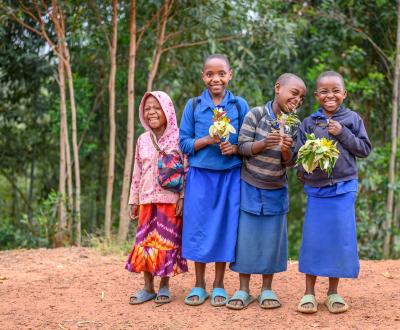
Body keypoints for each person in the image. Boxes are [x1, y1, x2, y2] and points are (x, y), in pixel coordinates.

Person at [227, 73, 306, 310]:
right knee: (247, 239)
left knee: (271, 240)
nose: (297, 100)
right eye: (294, 93)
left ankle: (266, 289)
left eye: (301, 97)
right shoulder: (256, 114)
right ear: (278, 88)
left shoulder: (295, 124)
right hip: (250, 184)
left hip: (276, 188)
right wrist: (264, 144)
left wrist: (285, 150)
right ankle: (243, 289)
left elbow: (290, 162)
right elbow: (241, 147)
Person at [295, 71, 371, 314]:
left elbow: (364, 149)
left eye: (336, 90)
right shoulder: (309, 123)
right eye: (324, 91)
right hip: (317, 190)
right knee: (314, 240)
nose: (330, 95)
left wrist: (343, 133)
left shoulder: (352, 119)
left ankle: (333, 293)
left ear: (344, 94)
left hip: (343, 188)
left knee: (338, 240)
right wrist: (305, 168)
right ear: (316, 95)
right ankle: (308, 293)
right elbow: (297, 154)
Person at [179, 54, 249, 306]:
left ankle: (219, 284)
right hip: (200, 177)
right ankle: (199, 284)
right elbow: (184, 143)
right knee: (198, 228)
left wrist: (235, 148)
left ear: (230, 74)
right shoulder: (194, 105)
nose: (215, 78)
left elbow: (248, 142)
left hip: (230, 177)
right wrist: (207, 140)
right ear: (203, 77)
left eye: (221, 73)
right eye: (210, 74)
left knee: (223, 228)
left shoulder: (239, 105)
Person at [126, 91, 188, 305]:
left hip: (170, 202)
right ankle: (148, 287)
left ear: (167, 110)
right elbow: (137, 171)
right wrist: (133, 200)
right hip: (146, 201)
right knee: (145, 243)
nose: (151, 112)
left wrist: (182, 196)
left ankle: (164, 287)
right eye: (147, 108)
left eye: (156, 107)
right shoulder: (143, 139)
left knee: (166, 243)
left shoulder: (180, 137)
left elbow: (186, 169)